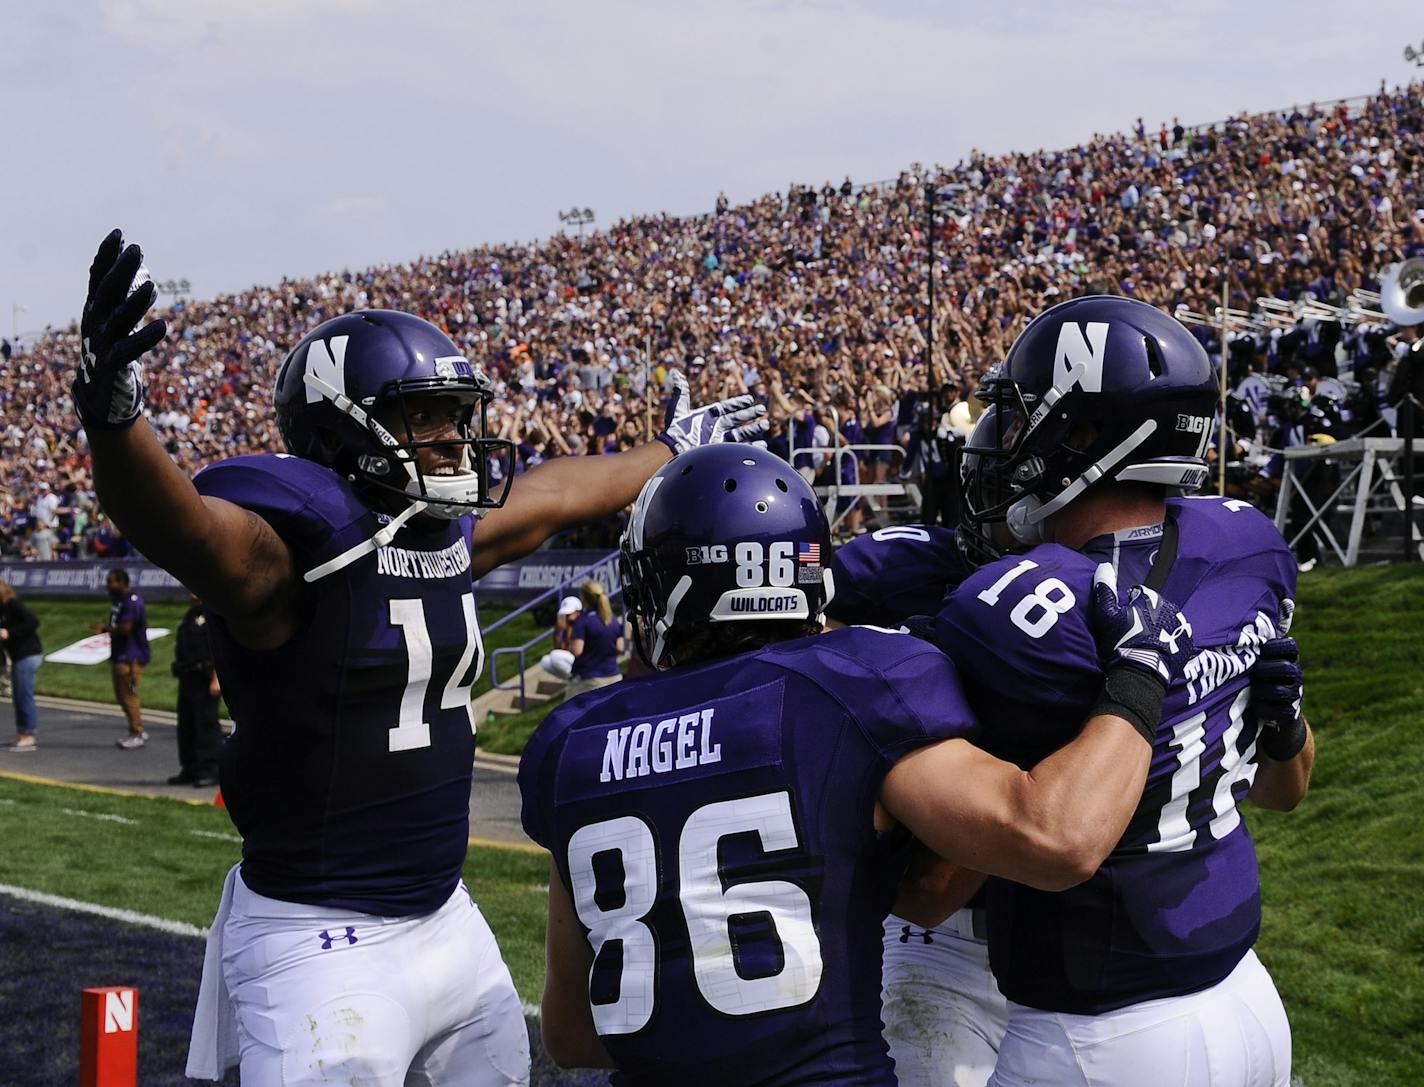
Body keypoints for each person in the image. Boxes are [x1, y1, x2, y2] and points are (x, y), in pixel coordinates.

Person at [75, 229, 766, 1086]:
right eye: (422, 414)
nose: (450, 436)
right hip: (315, 935)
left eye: (452, 411)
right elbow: (178, 522)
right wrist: (114, 420)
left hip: (446, 912)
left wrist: (670, 450)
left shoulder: (433, 532)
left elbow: (554, 495)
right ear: (343, 428)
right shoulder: (295, 549)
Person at [518, 443, 1197, 1084]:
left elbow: (570, 1032)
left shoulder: (572, 740)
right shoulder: (849, 689)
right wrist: (1138, 673)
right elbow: (1054, 834)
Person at [938, 296, 1314, 1086]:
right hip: (1248, 996)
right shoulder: (1244, 540)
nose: (1009, 440)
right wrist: (1282, 723)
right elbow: (1286, 790)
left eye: (1024, 418)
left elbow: (932, 887)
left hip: (1102, 1029)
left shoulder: (1022, 600)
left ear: (1081, 435)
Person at [167, 590, 223, 787]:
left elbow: (220, 650)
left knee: (205, 725)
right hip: (187, 676)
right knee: (187, 724)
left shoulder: (214, 615)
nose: (191, 593)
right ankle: (190, 768)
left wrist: (217, 679)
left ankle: (210, 769)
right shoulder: (191, 614)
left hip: (205, 678)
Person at [94, 568, 150, 749]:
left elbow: (126, 628)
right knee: (121, 696)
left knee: (128, 696)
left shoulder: (132, 602)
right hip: (120, 654)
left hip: (131, 657)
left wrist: (107, 629)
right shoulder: (119, 600)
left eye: (111, 581)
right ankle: (136, 728)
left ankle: (137, 732)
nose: (108, 585)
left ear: (122, 582)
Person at [0, 579, 43, 752]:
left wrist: (10, 632)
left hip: (29, 654)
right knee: (18, 696)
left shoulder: (14, 605)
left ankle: (29, 734)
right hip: (18, 656)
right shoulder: (2, 610)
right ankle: (22, 732)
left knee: (24, 696)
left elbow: (33, 622)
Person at [564, 578, 623, 699]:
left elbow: (577, 650)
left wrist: (569, 643)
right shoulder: (613, 619)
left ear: (584, 598)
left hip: (589, 680)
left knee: (569, 714)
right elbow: (620, 648)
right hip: (614, 676)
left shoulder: (583, 621)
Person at [539, 595, 583, 681]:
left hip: (585, 660)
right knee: (545, 661)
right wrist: (557, 633)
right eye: (565, 614)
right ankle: (573, 679)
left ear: (578, 611)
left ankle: (578, 678)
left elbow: (577, 650)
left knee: (555, 655)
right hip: (574, 660)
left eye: (569, 613)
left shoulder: (583, 623)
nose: (567, 616)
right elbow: (561, 649)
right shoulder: (567, 627)